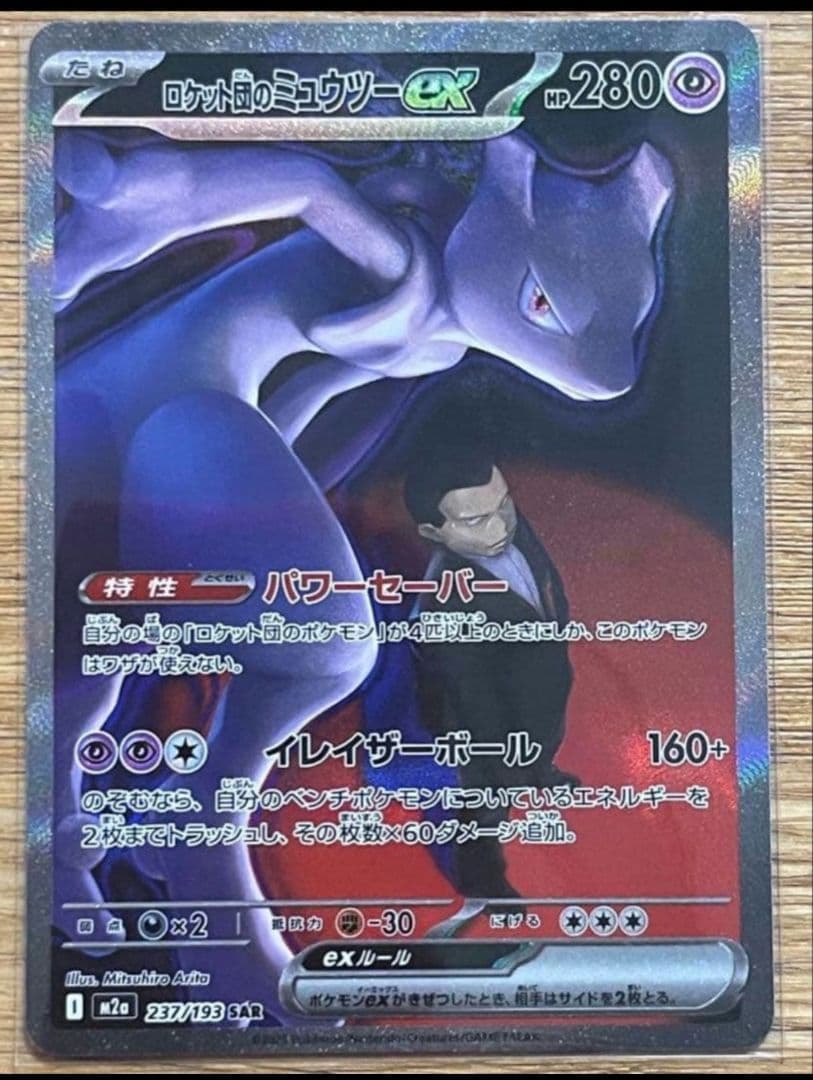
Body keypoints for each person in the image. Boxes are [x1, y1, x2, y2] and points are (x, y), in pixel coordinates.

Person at [404, 445, 577, 900]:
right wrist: (499, 751)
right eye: (477, 520)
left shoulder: (513, 529)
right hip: (484, 725)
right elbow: (469, 694)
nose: (500, 527)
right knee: (485, 801)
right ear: (433, 532)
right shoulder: (442, 602)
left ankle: (539, 771)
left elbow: (544, 580)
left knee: (543, 737)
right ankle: (482, 880)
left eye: (504, 505)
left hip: (535, 685)